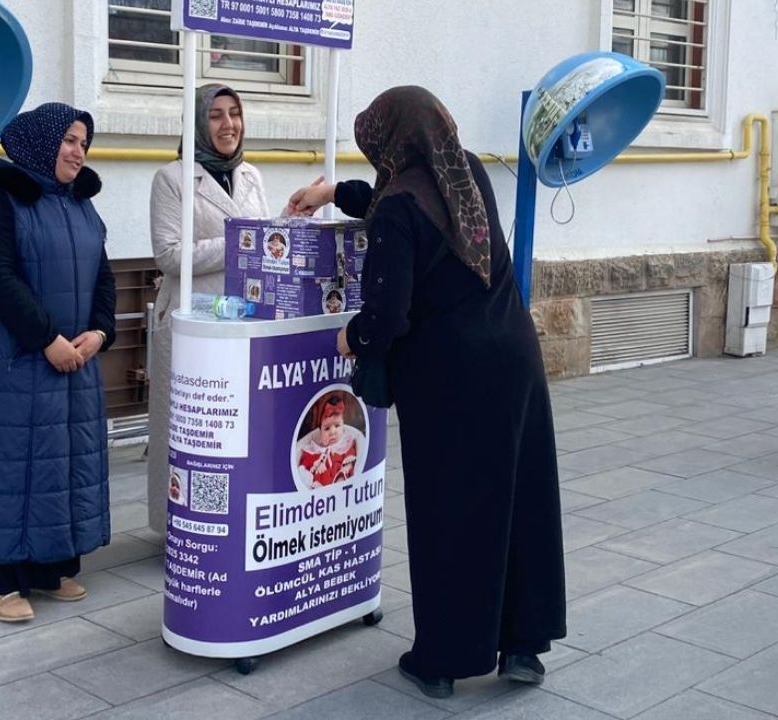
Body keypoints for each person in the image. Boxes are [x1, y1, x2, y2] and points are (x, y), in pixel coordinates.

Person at [286, 86, 566, 698]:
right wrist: (331, 193)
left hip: (450, 377)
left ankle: (442, 659)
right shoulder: (465, 174)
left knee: (453, 511)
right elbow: (402, 204)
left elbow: (388, 315)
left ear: (391, 141)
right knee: (519, 499)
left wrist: (349, 337)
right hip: (513, 356)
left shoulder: (398, 209)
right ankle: (524, 648)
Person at [0, 102, 116, 623]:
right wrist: (47, 339)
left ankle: (48, 568)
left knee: (60, 464)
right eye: (68, 140)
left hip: (73, 359)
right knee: (9, 466)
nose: (78, 151)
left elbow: (102, 277)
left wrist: (99, 333)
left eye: (83, 142)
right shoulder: (1, 199)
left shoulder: (80, 203)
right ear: (41, 143)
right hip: (18, 361)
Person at [147, 84, 269, 532]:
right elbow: (169, 254)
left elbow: (264, 248)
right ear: (197, 123)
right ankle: (178, 524)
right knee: (186, 431)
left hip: (242, 320)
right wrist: (241, 242)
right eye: (215, 115)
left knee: (232, 430)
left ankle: (228, 520)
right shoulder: (172, 177)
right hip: (192, 318)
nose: (228, 124)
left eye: (234, 113)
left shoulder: (252, 174)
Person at [294, 391, 362, 489]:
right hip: (320, 487)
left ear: (343, 427)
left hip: (340, 478)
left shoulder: (345, 443)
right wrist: (315, 467)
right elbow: (305, 462)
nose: (332, 432)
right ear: (320, 432)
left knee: (342, 475)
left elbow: (350, 456)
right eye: (327, 428)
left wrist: (348, 466)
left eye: (337, 426)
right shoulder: (315, 449)